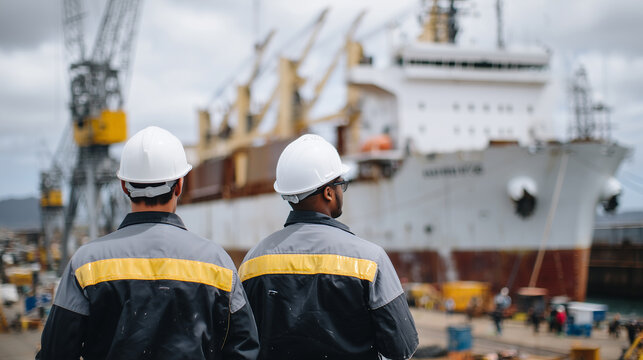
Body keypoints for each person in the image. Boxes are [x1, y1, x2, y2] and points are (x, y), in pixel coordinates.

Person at [37, 126, 259, 360]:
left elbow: (55, 352)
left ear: (124, 186)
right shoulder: (217, 262)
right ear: (180, 185)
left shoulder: (85, 265)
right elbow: (243, 350)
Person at [238, 134, 418, 360]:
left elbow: (241, 344)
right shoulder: (370, 260)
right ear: (329, 192)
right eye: (341, 184)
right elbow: (402, 347)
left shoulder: (252, 261)